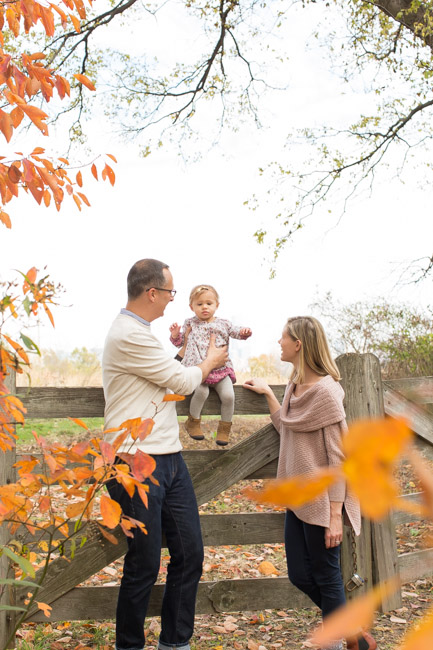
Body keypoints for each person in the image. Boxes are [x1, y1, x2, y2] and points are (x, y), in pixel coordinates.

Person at [102, 259, 228, 650]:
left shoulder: (143, 333)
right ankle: (130, 645)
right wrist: (210, 361)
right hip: (133, 462)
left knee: (190, 553)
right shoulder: (127, 334)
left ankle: (175, 643)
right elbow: (180, 380)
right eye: (172, 292)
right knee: (143, 565)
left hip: (169, 458)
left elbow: (165, 377)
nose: (175, 300)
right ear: (152, 292)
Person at [243, 316, 377, 650]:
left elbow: (339, 459)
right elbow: (288, 426)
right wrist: (269, 396)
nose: (279, 342)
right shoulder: (294, 387)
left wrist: (334, 515)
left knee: (327, 576)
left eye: (283, 337)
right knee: (300, 576)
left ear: (299, 344)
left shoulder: (327, 393)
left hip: (323, 501)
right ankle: (355, 635)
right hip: (298, 499)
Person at [169, 284, 252, 446]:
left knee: (228, 395)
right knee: (201, 392)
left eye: (209, 303)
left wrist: (244, 332)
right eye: (199, 304)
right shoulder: (190, 323)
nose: (204, 307)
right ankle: (193, 422)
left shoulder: (224, 324)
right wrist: (174, 335)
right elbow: (180, 343)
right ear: (192, 307)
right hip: (198, 368)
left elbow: (236, 331)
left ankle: (225, 428)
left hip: (220, 369)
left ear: (217, 305)